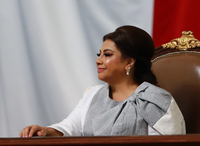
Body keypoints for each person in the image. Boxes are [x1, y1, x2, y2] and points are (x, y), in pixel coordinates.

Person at [20, 25, 186, 137]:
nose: (98, 60)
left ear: (129, 62)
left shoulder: (157, 100)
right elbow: (72, 127)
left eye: (107, 55)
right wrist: (46, 131)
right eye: (98, 54)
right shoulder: (92, 94)